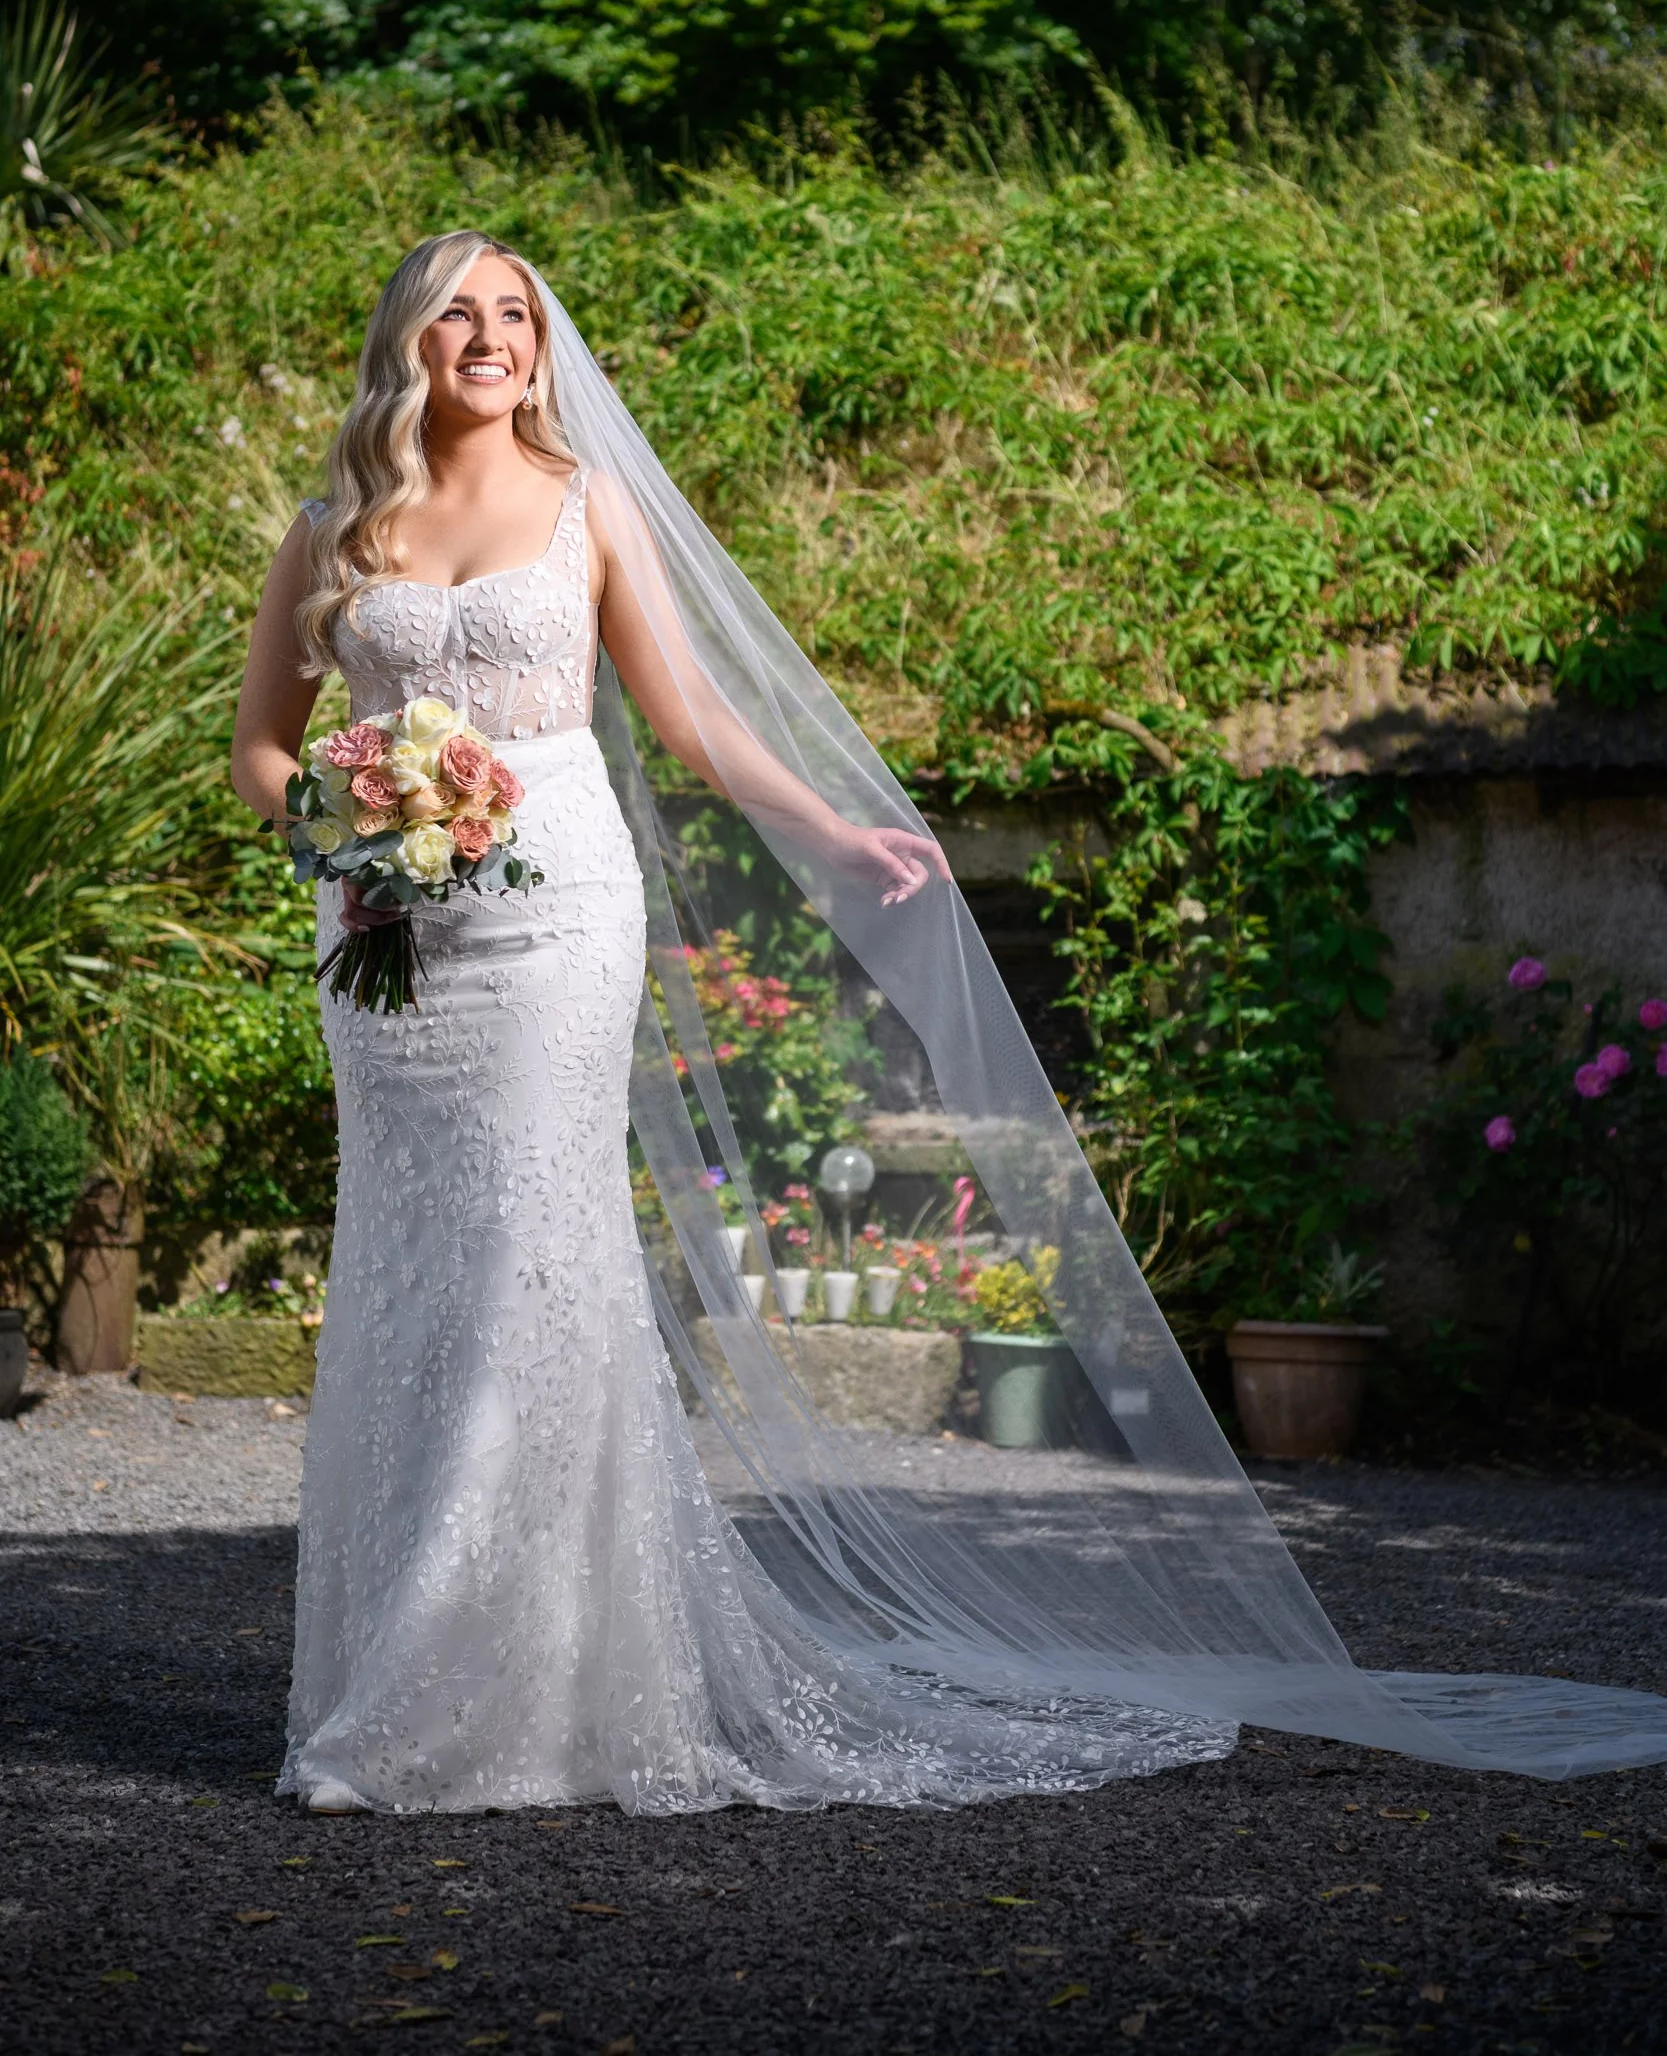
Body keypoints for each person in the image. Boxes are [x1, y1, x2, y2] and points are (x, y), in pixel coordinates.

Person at [234, 232, 1667, 1813]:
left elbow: (693, 720)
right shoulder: (333, 529)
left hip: (558, 907)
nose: (491, 337)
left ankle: (508, 1695)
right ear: (409, 336)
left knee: (531, 1248)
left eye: (515, 313)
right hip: (385, 930)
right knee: (410, 1257)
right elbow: (261, 749)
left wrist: (830, 835)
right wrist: (351, 835)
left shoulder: (587, 506)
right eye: (459, 312)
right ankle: (406, 1671)